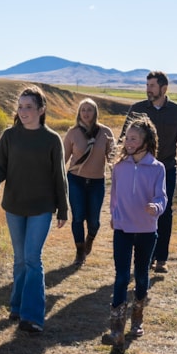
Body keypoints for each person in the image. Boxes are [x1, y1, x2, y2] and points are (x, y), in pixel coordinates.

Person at [0, 86, 69, 334]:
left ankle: (32, 317)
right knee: (19, 259)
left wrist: (63, 209)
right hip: (14, 206)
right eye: (20, 107)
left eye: (28, 107)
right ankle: (17, 306)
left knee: (33, 259)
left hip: (41, 209)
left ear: (41, 110)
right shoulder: (10, 136)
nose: (23, 111)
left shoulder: (52, 140)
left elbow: (59, 177)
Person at [121, 70, 177, 274]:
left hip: (167, 169)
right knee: (141, 210)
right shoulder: (137, 110)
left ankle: (161, 258)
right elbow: (123, 138)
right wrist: (119, 164)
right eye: (147, 86)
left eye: (152, 86)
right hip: (139, 170)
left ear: (163, 88)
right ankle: (146, 257)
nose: (148, 90)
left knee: (164, 212)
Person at [107, 115, 167, 349]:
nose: (128, 142)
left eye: (133, 138)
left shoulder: (157, 168)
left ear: (146, 141)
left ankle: (137, 317)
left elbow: (161, 196)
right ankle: (116, 328)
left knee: (141, 276)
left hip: (145, 229)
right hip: (122, 228)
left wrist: (156, 207)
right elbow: (114, 196)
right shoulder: (119, 166)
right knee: (121, 276)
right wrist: (114, 216)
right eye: (127, 138)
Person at [63, 98, 114, 266]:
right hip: (75, 179)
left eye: (89, 110)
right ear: (79, 113)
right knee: (77, 217)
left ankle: (89, 239)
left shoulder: (105, 132)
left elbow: (112, 158)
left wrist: (120, 176)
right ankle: (79, 251)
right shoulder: (72, 132)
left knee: (94, 220)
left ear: (95, 112)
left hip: (97, 182)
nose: (86, 113)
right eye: (83, 110)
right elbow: (63, 158)